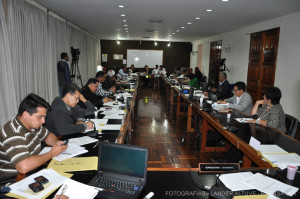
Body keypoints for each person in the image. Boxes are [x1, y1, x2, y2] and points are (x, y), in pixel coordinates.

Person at [0, 94, 68, 177]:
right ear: (26, 115)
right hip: (16, 179)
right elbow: (23, 167)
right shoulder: (13, 133)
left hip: (34, 170)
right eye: (40, 117)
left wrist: (56, 143)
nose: (43, 121)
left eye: (44, 117)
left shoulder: (33, 125)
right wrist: (52, 153)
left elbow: (48, 135)